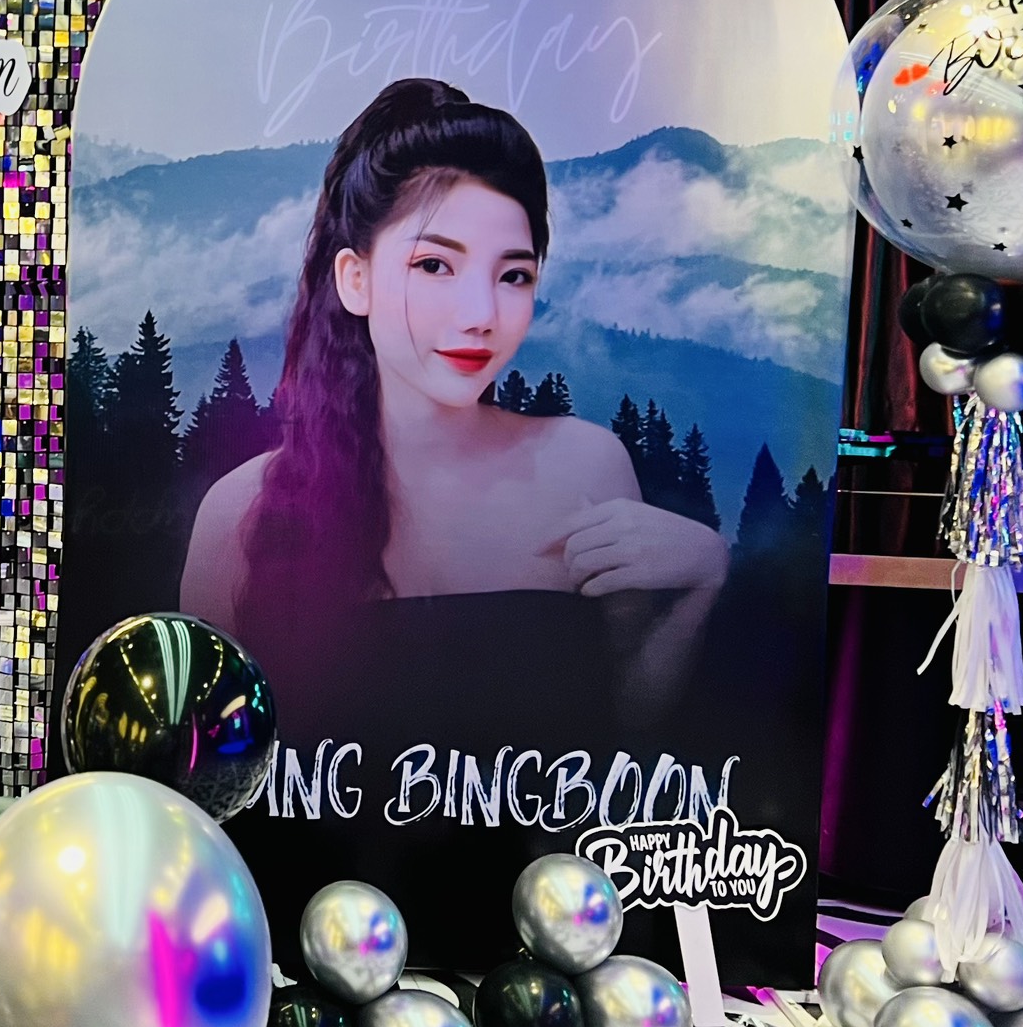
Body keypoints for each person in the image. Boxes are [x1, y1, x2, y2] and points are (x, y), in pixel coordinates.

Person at [179, 77, 726, 697]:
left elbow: (628, 726)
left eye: (513, 275)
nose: (481, 314)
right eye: (434, 265)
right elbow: (207, 750)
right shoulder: (240, 515)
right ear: (355, 280)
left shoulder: (587, 468)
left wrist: (702, 583)